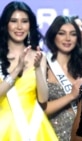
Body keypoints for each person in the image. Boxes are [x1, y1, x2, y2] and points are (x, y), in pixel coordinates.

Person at [0, 1, 57, 140]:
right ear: (6, 25)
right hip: (4, 127)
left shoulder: (39, 56)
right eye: (14, 21)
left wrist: (37, 68)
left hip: (35, 126)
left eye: (24, 21)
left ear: (30, 25)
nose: (19, 27)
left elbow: (43, 99)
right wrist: (16, 70)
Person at [44, 15, 82, 141]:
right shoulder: (43, 65)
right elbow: (39, 109)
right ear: (53, 36)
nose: (67, 39)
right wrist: (71, 95)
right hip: (53, 133)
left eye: (72, 34)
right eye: (62, 33)